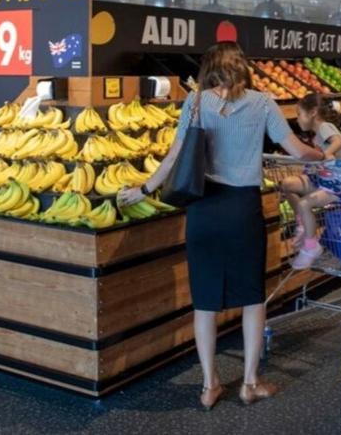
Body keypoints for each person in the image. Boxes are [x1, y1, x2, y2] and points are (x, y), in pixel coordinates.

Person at [118, 42, 324, 411]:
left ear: (208, 68)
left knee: (206, 301)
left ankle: (209, 385)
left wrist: (144, 189)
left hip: (204, 208)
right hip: (242, 209)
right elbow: (296, 150)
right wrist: (322, 155)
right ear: (242, 68)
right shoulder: (263, 103)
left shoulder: (196, 103)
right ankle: (249, 382)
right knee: (250, 297)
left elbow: (176, 154)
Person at [281, 93, 341, 270]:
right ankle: (303, 225)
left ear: (312, 112)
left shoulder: (325, 127)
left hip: (338, 184)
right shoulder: (316, 136)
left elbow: (338, 141)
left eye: (299, 114)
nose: (297, 119)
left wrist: (328, 154)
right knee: (287, 184)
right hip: (324, 179)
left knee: (305, 204)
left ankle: (311, 248)